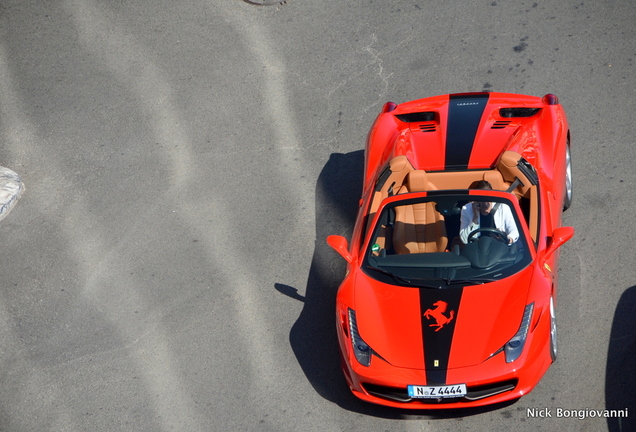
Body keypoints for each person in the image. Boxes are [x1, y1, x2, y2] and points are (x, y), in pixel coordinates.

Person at [459, 180, 519, 245]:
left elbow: (514, 231)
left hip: (499, 247)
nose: (485, 204)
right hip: (477, 248)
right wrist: (475, 219)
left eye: (488, 199)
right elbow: (464, 239)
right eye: (481, 200)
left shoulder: (503, 207)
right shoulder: (466, 209)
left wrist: (507, 239)